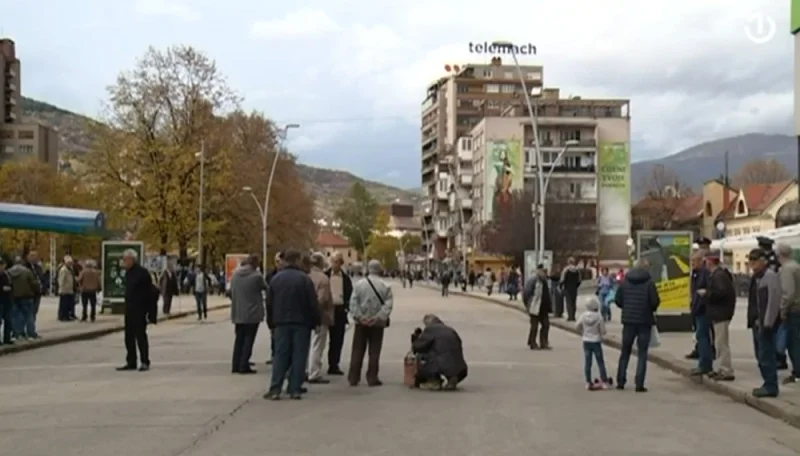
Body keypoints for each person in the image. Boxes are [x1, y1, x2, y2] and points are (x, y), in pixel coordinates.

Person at [264, 249, 320, 400]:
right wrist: (316, 322)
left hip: (281, 323)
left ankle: (275, 388)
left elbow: (269, 303)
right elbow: (313, 303)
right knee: (299, 356)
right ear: (297, 260)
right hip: (302, 323)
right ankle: (294, 388)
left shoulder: (276, 279)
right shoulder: (304, 279)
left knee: (280, 355)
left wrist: (271, 323)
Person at [614, 257, 660, 392]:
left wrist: (627, 307)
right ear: (646, 268)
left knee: (625, 351)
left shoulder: (625, 281)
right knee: (642, 353)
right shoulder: (649, 283)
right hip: (644, 321)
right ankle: (639, 383)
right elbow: (654, 302)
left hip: (628, 320)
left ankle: (621, 381)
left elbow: (618, 300)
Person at [348, 259, 393, 387]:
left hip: (361, 323)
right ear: (379, 270)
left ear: (368, 269)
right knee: (374, 350)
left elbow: (353, 303)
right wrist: (378, 317)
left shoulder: (359, 284)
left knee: (357, 350)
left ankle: (353, 377)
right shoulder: (385, 286)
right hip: (377, 324)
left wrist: (360, 316)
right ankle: (372, 377)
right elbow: (388, 305)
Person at [746, 248, 782, 397]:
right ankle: (767, 382)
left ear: (763, 261)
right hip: (757, 322)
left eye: (755, 261)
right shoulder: (756, 277)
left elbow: (773, 301)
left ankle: (771, 385)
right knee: (760, 355)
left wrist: (767, 322)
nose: (752, 264)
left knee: (766, 354)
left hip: (765, 324)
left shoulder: (770, 276)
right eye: (750, 261)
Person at [117, 249, 157, 372]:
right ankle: (131, 361)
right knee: (128, 337)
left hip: (140, 309)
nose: (123, 261)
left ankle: (145, 361)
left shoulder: (142, 273)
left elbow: (150, 293)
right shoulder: (128, 273)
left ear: (132, 259)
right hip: (129, 309)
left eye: (125, 259)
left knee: (140, 336)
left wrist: (150, 312)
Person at [230, 255, 267, 375]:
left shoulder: (235, 274)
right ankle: (243, 365)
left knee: (239, 339)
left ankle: (235, 364)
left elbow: (231, 292)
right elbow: (266, 288)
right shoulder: (256, 276)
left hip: (238, 312)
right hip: (252, 313)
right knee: (248, 340)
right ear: (255, 264)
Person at [411, 314, 468, 390]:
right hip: (460, 368)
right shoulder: (450, 330)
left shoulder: (430, 329)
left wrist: (416, 339)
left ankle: (434, 380)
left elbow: (418, 347)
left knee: (422, 356)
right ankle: (452, 377)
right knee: (444, 353)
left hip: (441, 363)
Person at [704, 251, 737, 381]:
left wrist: (707, 294)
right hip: (719, 313)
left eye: (706, 261)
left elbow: (721, 293)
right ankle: (721, 368)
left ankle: (726, 369)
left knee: (721, 343)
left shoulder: (719, 276)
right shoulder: (718, 275)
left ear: (710, 262)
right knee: (718, 342)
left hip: (721, 313)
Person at [307, 252, 333, 384]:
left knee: (308, 345)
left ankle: (306, 369)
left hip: (304, 316)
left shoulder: (305, 275)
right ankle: (314, 372)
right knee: (317, 345)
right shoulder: (323, 278)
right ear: (321, 263)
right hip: (320, 317)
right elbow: (322, 300)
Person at [325, 252, 352, 376]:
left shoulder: (345, 278)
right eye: (334, 261)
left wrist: (347, 307)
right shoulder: (325, 276)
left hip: (340, 310)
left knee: (337, 339)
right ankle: (314, 365)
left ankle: (334, 364)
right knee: (320, 339)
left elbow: (350, 294)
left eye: (338, 262)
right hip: (327, 310)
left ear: (341, 264)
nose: (336, 264)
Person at [776, 243, 800, 385]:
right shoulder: (796, 266)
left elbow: (788, 293)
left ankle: (797, 372)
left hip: (793, 310)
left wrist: (783, 310)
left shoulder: (786, 270)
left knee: (792, 343)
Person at [576, 296, 611, 390]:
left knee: (588, 362)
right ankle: (604, 381)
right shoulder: (599, 317)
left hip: (586, 340)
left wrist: (582, 332)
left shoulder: (583, 316)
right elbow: (603, 331)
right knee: (600, 362)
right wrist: (600, 334)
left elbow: (577, 326)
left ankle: (588, 381)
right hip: (596, 341)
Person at [690, 252, 713, 377]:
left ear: (700, 261)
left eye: (694, 262)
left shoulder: (704, 274)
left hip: (703, 310)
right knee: (700, 336)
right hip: (697, 309)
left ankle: (705, 364)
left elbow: (705, 291)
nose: (692, 264)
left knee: (702, 336)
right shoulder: (695, 274)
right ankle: (703, 363)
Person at [8, 256, 41, 339]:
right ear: (21, 262)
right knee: (29, 315)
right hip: (27, 296)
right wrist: (37, 291)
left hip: (14, 297)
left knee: (15, 316)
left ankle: (17, 333)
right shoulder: (27, 271)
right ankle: (31, 333)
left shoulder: (9, 272)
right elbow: (33, 284)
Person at [523, 264, 551, 350]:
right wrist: (528, 305)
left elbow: (547, 295)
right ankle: (532, 342)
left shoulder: (544, 281)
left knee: (546, 325)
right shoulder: (533, 280)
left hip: (543, 307)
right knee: (534, 326)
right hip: (534, 307)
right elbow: (526, 293)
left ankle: (544, 342)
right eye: (543, 271)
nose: (544, 273)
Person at [560, 257, 582, 321]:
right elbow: (579, 280)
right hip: (574, 288)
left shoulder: (566, 269)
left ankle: (570, 316)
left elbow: (562, 279)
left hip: (567, 288)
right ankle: (573, 316)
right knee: (573, 302)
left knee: (568, 302)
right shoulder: (577, 270)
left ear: (568, 262)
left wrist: (561, 286)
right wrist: (576, 286)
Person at [57, 256, 77, 322]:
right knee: (64, 304)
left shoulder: (70, 269)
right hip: (65, 290)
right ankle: (63, 316)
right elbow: (61, 280)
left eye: (71, 263)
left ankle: (66, 315)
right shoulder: (63, 270)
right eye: (69, 263)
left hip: (69, 289)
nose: (71, 264)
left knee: (68, 304)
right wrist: (61, 288)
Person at [0, 258, 12, 345]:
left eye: (2, 265)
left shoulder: (6, 274)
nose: (1, 267)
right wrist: (2, 288)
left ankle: (7, 338)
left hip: (7, 300)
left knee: (8, 320)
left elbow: (11, 284)